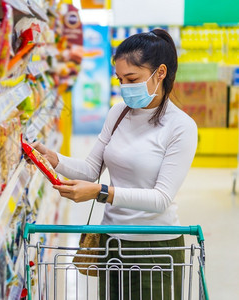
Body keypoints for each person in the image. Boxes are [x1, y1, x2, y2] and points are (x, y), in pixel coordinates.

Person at [30, 29, 197, 299]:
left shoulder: (181, 127)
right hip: (111, 243)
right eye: (120, 79)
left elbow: (161, 198)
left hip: (155, 249)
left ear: (160, 73)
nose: (125, 87)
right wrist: (54, 159)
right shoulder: (118, 113)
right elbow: (90, 170)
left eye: (132, 79)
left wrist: (101, 193)